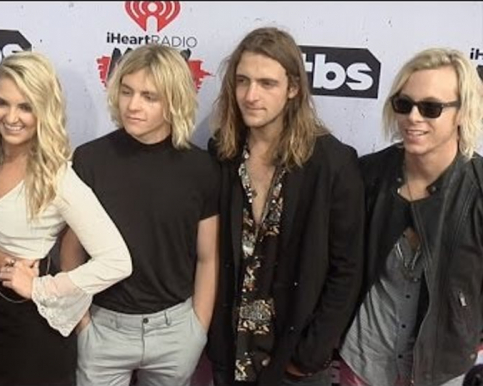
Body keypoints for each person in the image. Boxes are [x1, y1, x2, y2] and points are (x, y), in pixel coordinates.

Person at [0, 51, 132, 386]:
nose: (11, 117)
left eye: (26, 106)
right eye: (2, 103)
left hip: (29, 324)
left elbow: (118, 260)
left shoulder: (57, 178)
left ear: (45, 109)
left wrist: (43, 287)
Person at [53, 44, 220, 386]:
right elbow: (71, 250)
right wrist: (83, 322)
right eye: (127, 92)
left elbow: (208, 258)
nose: (133, 105)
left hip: (175, 330)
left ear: (173, 101)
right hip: (102, 326)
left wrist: (197, 328)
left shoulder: (201, 168)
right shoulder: (91, 160)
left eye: (149, 96)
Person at [206, 27, 365, 386]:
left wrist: (309, 354)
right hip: (230, 353)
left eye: (267, 83)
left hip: (295, 359)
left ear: (293, 89)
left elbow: (347, 269)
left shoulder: (332, 163)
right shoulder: (223, 153)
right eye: (242, 81)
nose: (250, 95)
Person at [339, 48, 483, 386]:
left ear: (461, 113)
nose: (413, 118)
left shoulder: (478, 189)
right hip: (361, 361)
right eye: (404, 105)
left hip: (442, 370)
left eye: (431, 108)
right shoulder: (368, 175)